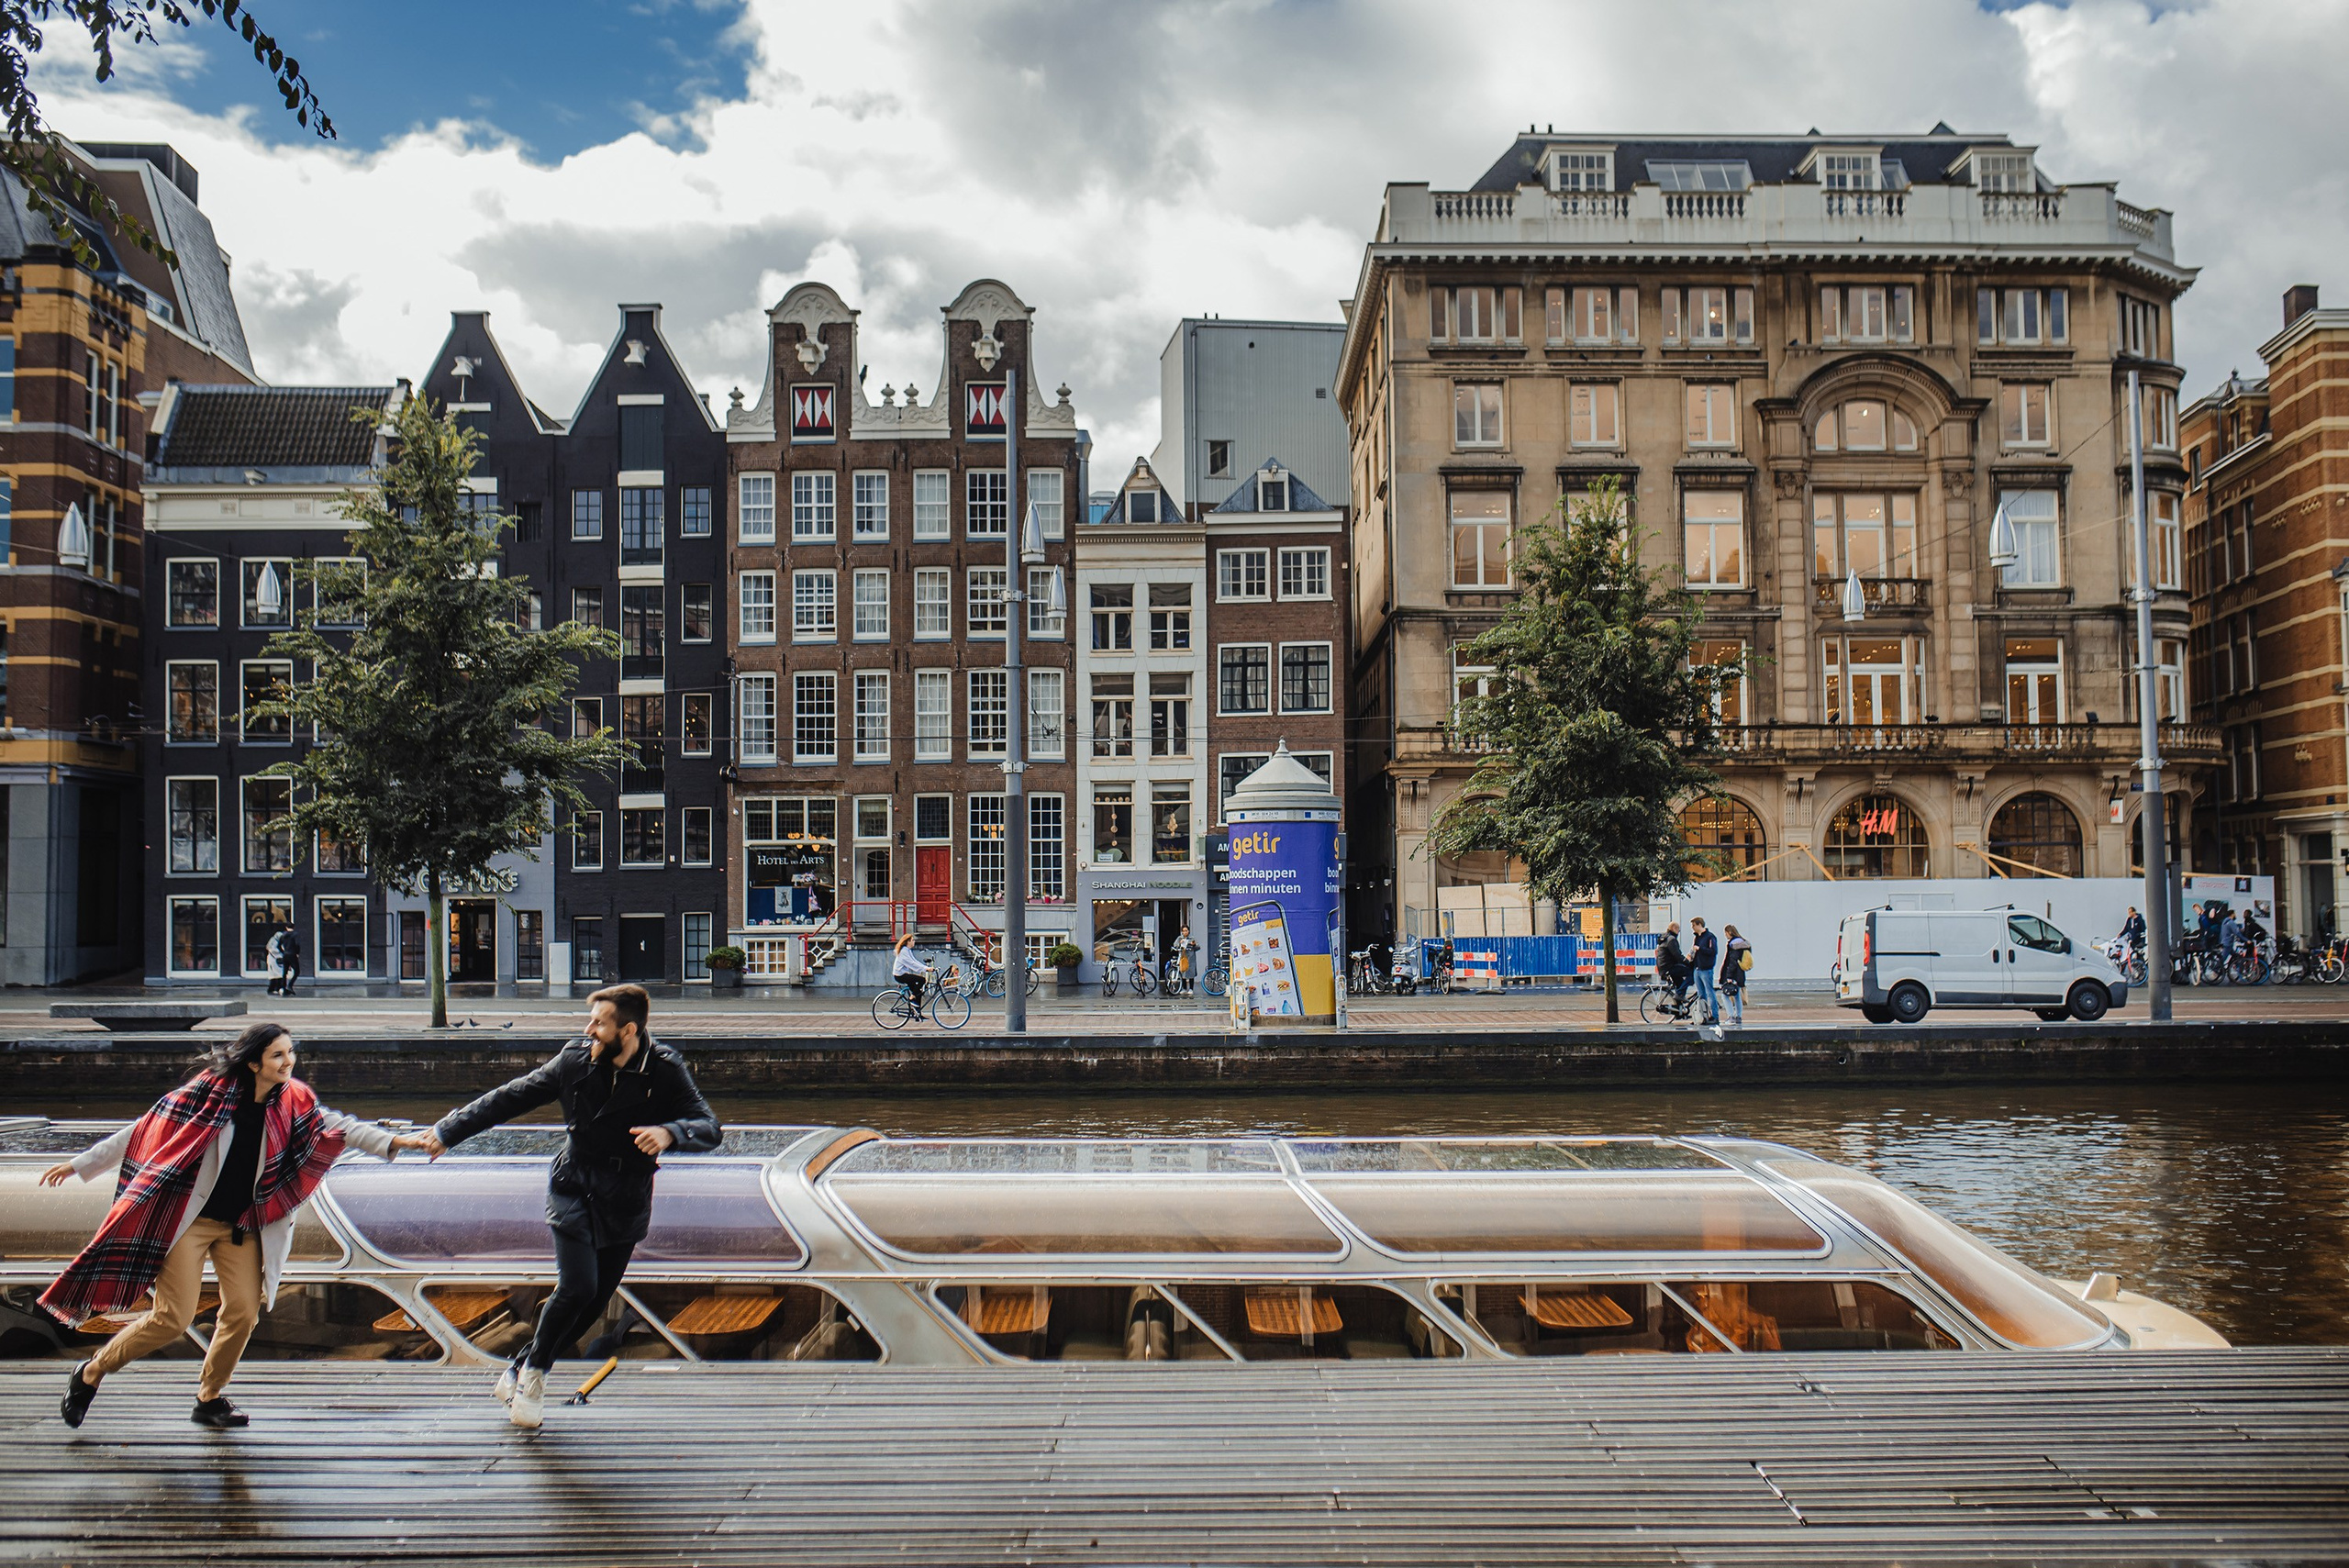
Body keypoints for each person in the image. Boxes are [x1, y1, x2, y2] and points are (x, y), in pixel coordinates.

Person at [39, 1022, 404, 1429]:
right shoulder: (206, 1094)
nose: (289, 1062)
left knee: (244, 1313)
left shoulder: (294, 1100)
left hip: (243, 1225)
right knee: (173, 1318)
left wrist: (392, 1143)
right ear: (253, 1063)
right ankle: (91, 1371)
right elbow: (143, 1129)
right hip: (190, 1222)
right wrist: (81, 1164)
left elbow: (337, 1124)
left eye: (290, 1053)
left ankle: (209, 1397)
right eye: (278, 1055)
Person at [394, 984, 718, 1429]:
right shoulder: (575, 1060)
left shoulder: (663, 1069)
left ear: (628, 1029)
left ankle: (516, 1367)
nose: (589, 1031)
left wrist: (670, 1133)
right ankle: (534, 1376)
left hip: (625, 1197)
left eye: (599, 1023)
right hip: (574, 1186)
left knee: (593, 1302)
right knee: (578, 1286)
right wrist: (447, 1132)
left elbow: (709, 1126)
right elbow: (511, 1096)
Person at [1719, 925, 1752, 1029]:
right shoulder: (1744, 943)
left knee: (1725, 995)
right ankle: (1738, 1017)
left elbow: (1731, 961)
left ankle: (1731, 1017)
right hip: (1740, 973)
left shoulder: (1733, 944)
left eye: (1725, 933)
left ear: (1729, 932)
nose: (1725, 935)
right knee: (1737, 995)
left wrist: (1728, 975)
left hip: (1732, 973)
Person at [891, 931, 935, 1009]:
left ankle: (917, 1014)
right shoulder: (904, 951)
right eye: (912, 940)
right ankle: (912, 998)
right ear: (908, 942)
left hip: (903, 974)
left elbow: (915, 961)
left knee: (919, 992)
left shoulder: (907, 950)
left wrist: (925, 968)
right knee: (922, 980)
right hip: (900, 975)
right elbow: (911, 963)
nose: (914, 941)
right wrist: (926, 969)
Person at [1688, 918, 1720, 1025]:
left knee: (1710, 992)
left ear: (1699, 925)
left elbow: (1713, 951)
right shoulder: (1697, 937)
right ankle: (1703, 1016)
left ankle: (1715, 1016)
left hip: (1706, 969)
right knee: (1701, 994)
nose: (1692, 927)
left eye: (1693, 925)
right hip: (1697, 968)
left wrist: (1700, 949)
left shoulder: (1710, 937)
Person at [1655, 923, 1688, 1007]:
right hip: (1669, 967)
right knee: (1690, 972)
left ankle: (1679, 1009)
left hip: (1664, 967)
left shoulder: (1665, 938)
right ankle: (1680, 995)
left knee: (1679, 983)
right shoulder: (1671, 939)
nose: (1679, 932)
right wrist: (1688, 963)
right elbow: (1677, 955)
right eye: (1678, 929)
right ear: (1674, 928)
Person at [263, 925, 289, 996]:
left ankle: (274, 989)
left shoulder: (273, 941)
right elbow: (275, 950)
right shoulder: (275, 942)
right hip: (275, 960)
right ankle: (277, 988)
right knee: (278, 974)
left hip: (274, 960)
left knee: (275, 975)